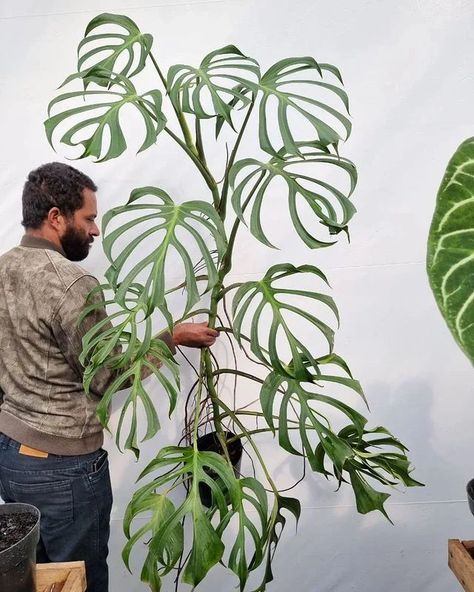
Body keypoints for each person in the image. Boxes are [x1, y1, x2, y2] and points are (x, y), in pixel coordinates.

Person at [0, 162, 218, 592]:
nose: (96, 230)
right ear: (56, 217)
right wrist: (170, 337)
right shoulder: (71, 282)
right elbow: (109, 378)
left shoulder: (3, 267)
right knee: (77, 583)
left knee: (34, 581)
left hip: (10, 457)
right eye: (89, 218)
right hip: (62, 469)